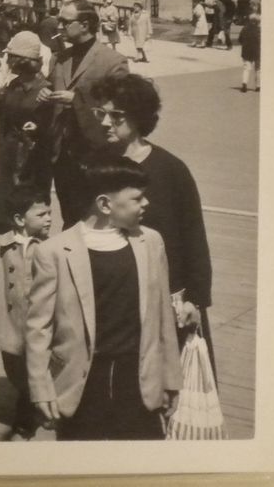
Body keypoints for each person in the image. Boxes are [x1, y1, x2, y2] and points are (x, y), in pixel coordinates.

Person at [25, 157, 181, 440]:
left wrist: (171, 378)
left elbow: (163, 317)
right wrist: (40, 387)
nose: (146, 203)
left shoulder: (151, 242)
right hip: (81, 384)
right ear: (105, 205)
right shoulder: (54, 252)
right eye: (137, 198)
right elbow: (38, 328)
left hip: (138, 377)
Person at [92, 73, 214, 364]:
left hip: (164, 299)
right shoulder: (93, 166)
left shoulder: (171, 170)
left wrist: (195, 299)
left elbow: (194, 240)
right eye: (101, 113)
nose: (105, 122)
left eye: (116, 115)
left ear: (138, 117)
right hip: (108, 298)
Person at [41, 0, 131, 226]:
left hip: (95, 154)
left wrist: (78, 101)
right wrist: (43, 92)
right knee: (70, 218)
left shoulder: (112, 61)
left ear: (85, 24)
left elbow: (121, 107)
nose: (59, 26)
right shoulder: (59, 58)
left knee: (96, 220)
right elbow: (50, 89)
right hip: (62, 156)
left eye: (65, 21)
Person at [0, 186, 54, 440]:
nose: (49, 218)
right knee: (14, 372)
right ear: (19, 219)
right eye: (41, 214)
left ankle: (24, 422)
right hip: (10, 321)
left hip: (40, 322)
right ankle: (39, 403)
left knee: (34, 372)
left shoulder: (50, 248)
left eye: (50, 213)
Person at [0, 31, 54, 225]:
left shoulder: (45, 89)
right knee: (5, 208)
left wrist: (38, 127)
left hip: (31, 162)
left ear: (23, 60)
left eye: (11, 56)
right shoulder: (14, 84)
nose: (7, 59)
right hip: (7, 155)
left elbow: (52, 127)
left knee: (29, 209)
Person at [239, 0, 261, 92]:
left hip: (247, 50)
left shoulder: (245, 28)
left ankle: (244, 83)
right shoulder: (260, 29)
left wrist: (244, 43)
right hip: (258, 50)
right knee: (258, 68)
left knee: (246, 68)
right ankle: (258, 86)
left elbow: (240, 39)